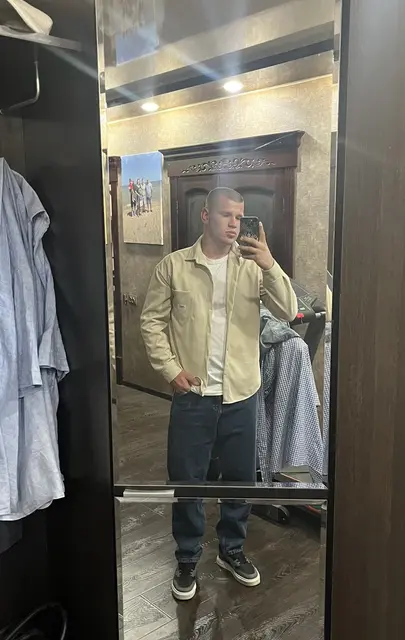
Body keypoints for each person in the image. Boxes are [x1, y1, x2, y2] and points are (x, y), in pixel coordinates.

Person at [141, 187, 297, 601]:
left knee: (240, 479)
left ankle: (232, 550)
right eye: (227, 215)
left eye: (240, 216)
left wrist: (268, 262)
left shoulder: (252, 268)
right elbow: (151, 323)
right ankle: (187, 557)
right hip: (193, 394)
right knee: (187, 480)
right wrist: (170, 370)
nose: (234, 224)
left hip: (241, 393)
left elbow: (289, 310)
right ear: (205, 215)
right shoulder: (174, 267)